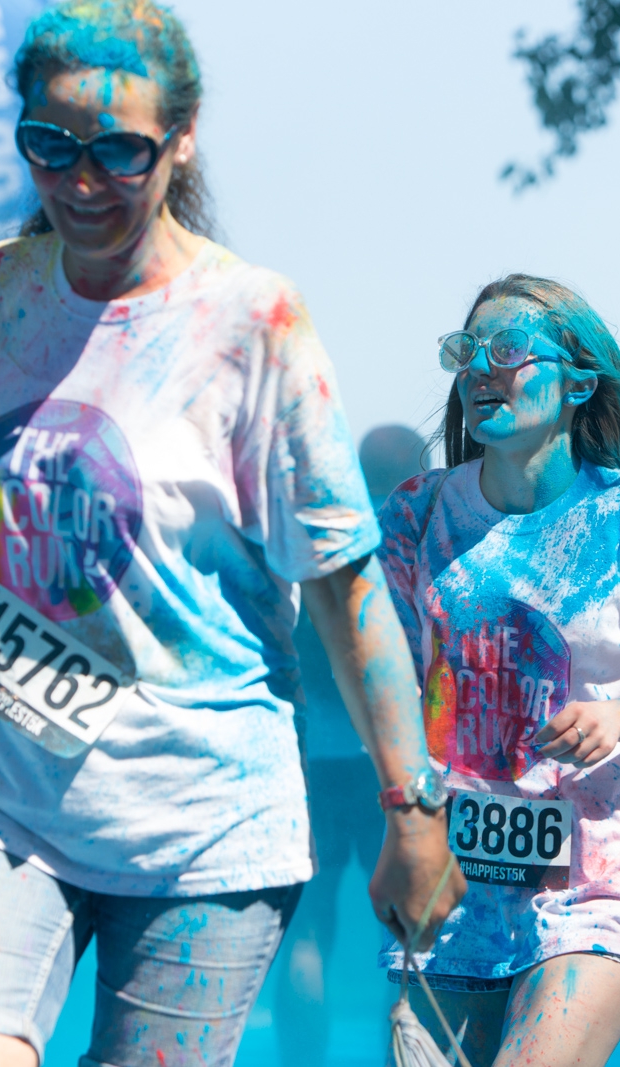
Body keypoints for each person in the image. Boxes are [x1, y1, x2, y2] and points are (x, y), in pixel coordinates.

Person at [0, 4, 463, 1066]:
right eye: (50, 147)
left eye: (118, 152)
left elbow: (344, 589)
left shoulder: (254, 322)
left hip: (204, 819)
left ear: (181, 138)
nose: (80, 183)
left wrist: (411, 807)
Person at [377, 274, 620, 1066]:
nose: (480, 369)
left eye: (508, 350)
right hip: (452, 892)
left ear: (579, 382)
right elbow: (391, 687)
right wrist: (404, 820)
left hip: (594, 888)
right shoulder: (416, 516)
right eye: (465, 352)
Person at [274, 424, 430, 1066]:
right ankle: (401, 1054)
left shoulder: (323, 536)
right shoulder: (425, 541)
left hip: (314, 761)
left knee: (308, 930)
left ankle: (299, 1062)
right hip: (398, 763)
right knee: (412, 932)